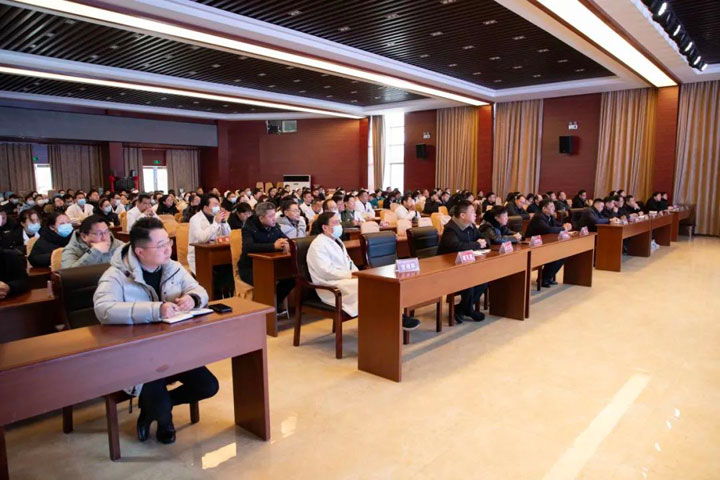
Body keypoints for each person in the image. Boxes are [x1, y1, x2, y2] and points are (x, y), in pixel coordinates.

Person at [93, 217, 216, 445]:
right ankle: (162, 416)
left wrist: (192, 298)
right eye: (160, 245)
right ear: (140, 251)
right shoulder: (116, 275)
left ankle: (154, 408)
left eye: (168, 242)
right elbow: (103, 309)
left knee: (208, 386)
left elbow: (199, 289)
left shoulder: (172, 266)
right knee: (160, 406)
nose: (168, 248)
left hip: (173, 348)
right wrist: (155, 309)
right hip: (138, 355)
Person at [306, 212, 420, 330]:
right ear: (325, 227)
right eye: (335, 223)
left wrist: (357, 273)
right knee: (368, 285)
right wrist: (350, 275)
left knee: (376, 283)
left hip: (345, 279)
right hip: (330, 284)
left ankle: (394, 316)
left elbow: (349, 262)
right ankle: (393, 318)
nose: (339, 225)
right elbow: (325, 271)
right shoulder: (318, 245)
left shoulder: (337, 241)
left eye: (339, 222)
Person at [437, 200, 488, 323]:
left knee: (484, 278)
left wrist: (483, 241)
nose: (475, 214)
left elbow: (483, 237)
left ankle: (462, 309)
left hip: (464, 265)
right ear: (463, 215)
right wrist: (477, 244)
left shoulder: (471, 226)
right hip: (447, 267)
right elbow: (457, 246)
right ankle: (467, 310)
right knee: (469, 279)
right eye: (472, 212)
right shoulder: (451, 229)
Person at [238, 202, 294, 311]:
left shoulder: (274, 226)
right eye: (271, 216)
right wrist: (273, 246)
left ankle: (275, 302)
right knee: (266, 280)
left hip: (270, 265)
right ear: (261, 218)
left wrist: (286, 243)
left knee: (292, 277)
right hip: (250, 267)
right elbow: (248, 247)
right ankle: (267, 310)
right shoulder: (249, 227)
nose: (274, 219)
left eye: (274, 215)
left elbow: (284, 238)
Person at [524, 199, 573, 288]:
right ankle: (544, 278)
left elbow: (556, 225)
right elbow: (548, 229)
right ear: (544, 208)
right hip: (533, 246)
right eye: (551, 207)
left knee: (562, 254)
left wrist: (565, 225)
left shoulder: (550, 216)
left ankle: (546, 277)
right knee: (556, 255)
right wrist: (563, 228)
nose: (554, 208)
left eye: (553, 206)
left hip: (544, 244)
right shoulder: (538, 217)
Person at [187, 194, 231, 274]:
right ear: (205, 207)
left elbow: (228, 235)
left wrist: (224, 222)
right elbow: (202, 238)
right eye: (215, 205)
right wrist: (216, 223)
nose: (218, 208)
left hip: (217, 252)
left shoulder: (216, 217)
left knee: (229, 267)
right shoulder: (195, 219)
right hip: (200, 256)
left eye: (219, 205)